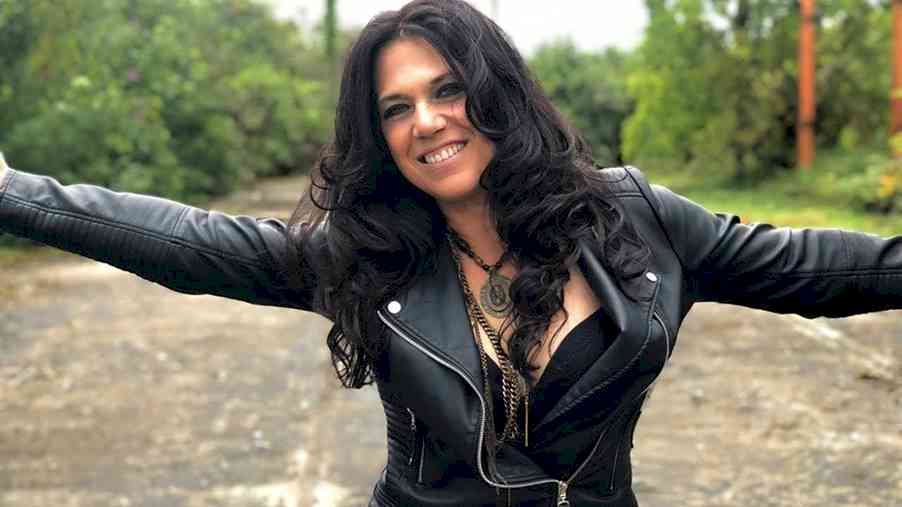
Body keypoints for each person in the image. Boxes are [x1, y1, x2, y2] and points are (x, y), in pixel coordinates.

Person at [1, 0, 901, 505]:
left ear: (497, 93)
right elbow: (185, 240)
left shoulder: (634, 217)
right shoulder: (360, 255)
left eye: (448, 90)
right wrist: (12, 191)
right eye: (396, 108)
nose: (426, 120)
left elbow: (816, 267)